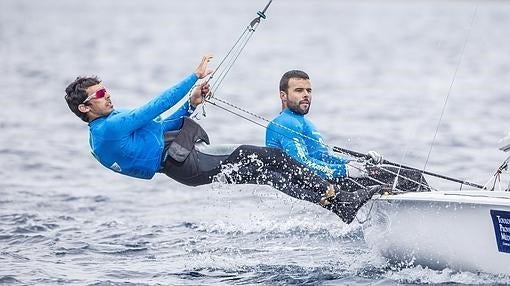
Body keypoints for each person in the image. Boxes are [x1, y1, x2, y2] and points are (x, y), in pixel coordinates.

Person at [64, 55, 382, 224]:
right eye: (100, 94)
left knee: (268, 175)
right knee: (269, 156)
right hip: (186, 162)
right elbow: (154, 107)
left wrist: (192, 102)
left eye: (106, 90)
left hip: (182, 164)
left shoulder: (105, 130)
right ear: (85, 107)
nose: (108, 97)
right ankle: (337, 194)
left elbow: (160, 127)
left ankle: (338, 205)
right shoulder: (107, 128)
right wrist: (194, 77)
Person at [266, 70, 429, 192]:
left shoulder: (303, 122)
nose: (306, 95)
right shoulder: (285, 123)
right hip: (316, 185)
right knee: (412, 178)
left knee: (407, 177)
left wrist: (357, 164)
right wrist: (347, 171)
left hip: (329, 179)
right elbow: (302, 165)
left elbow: (322, 156)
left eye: (309, 90)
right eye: (299, 90)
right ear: (283, 95)